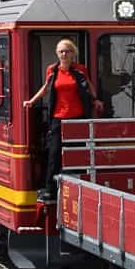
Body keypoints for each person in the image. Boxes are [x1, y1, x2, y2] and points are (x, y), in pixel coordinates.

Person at [23, 39, 102, 201]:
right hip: (58, 118)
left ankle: (81, 188)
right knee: (54, 153)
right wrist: (32, 101)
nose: (64, 54)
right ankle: (50, 189)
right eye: (61, 51)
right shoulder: (52, 70)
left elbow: (89, 85)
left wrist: (96, 99)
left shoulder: (80, 70)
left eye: (67, 51)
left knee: (78, 153)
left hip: (78, 118)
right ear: (57, 54)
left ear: (73, 53)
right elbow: (46, 88)